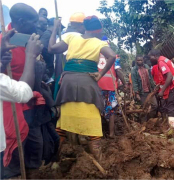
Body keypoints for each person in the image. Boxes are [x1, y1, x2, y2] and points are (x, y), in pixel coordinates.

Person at [48, 16, 116, 162]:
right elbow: (112, 56)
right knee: (92, 122)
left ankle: (55, 160)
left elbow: (51, 48)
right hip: (87, 83)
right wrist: (100, 74)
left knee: (63, 123)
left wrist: (55, 27)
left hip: (68, 84)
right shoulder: (99, 43)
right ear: (99, 30)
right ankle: (100, 160)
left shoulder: (72, 37)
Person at [0, 3, 39, 178]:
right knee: (13, 139)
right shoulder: (4, 41)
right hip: (10, 97)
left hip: (28, 96)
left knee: (28, 136)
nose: (37, 26)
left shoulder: (29, 40)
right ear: (21, 21)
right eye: (34, 22)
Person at [149, 49, 174, 131]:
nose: (150, 59)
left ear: (155, 56)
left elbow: (169, 76)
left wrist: (162, 91)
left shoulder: (161, 62)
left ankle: (172, 130)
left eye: (150, 57)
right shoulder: (164, 59)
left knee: (171, 108)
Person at [53, 12, 86, 99]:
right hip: (74, 75)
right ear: (80, 25)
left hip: (58, 72)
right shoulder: (81, 37)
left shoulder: (61, 37)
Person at [98, 43, 126, 137]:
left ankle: (97, 133)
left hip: (97, 87)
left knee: (97, 109)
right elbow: (118, 71)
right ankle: (111, 134)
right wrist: (124, 83)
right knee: (112, 110)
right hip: (110, 87)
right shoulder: (115, 57)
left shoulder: (95, 56)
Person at [131, 55, 157, 120]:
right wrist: (137, 93)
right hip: (142, 92)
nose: (139, 61)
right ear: (136, 61)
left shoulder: (147, 67)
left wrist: (154, 86)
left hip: (150, 90)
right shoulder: (134, 70)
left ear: (143, 60)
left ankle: (150, 119)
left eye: (141, 60)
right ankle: (143, 122)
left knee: (155, 105)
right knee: (144, 107)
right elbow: (134, 82)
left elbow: (151, 78)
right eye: (138, 60)